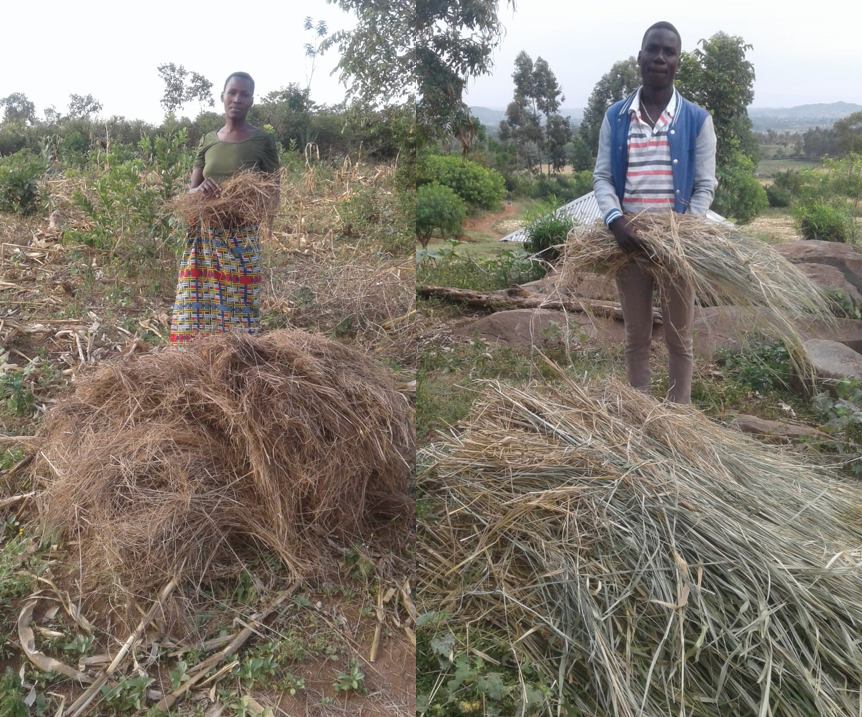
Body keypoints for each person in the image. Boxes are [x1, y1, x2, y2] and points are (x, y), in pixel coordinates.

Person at [593, 21, 717, 404]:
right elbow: (602, 176)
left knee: (680, 339)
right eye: (653, 49)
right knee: (636, 337)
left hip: (678, 246)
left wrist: (681, 233)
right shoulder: (616, 117)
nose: (660, 57)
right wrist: (616, 221)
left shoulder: (697, 120)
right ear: (640, 57)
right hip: (629, 242)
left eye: (669, 51)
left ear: (678, 61)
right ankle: (642, 415)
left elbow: (705, 186)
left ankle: (677, 420)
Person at [169, 72, 280, 346]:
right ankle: (198, 356)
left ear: (251, 101)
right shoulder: (208, 139)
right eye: (232, 92)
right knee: (198, 302)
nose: (237, 99)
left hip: (241, 237)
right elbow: (190, 191)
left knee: (240, 305)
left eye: (244, 94)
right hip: (205, 235)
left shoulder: (262, 141)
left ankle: (238, 357)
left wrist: (242, 198)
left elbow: (273, 191)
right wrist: (201, 191)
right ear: (222, 97)